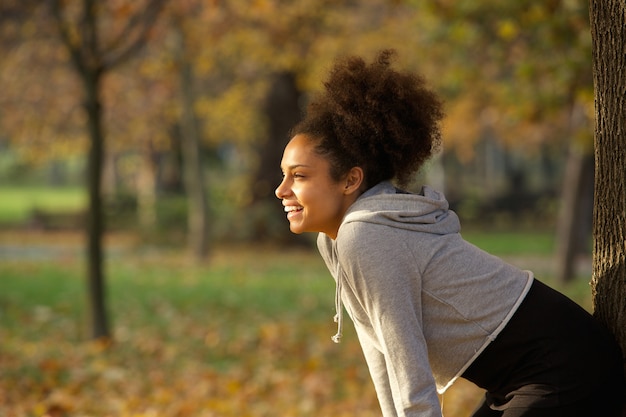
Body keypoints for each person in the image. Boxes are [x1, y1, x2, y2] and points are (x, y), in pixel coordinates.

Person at [274, 49, 626, 417]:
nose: (281, 190)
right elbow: (379, 345)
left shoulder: (366, 236)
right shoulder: (337, 239)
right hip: (516, 377)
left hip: (566, 366)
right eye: (284, 174)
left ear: (351, 179)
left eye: (299, 175)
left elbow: (406, 357)